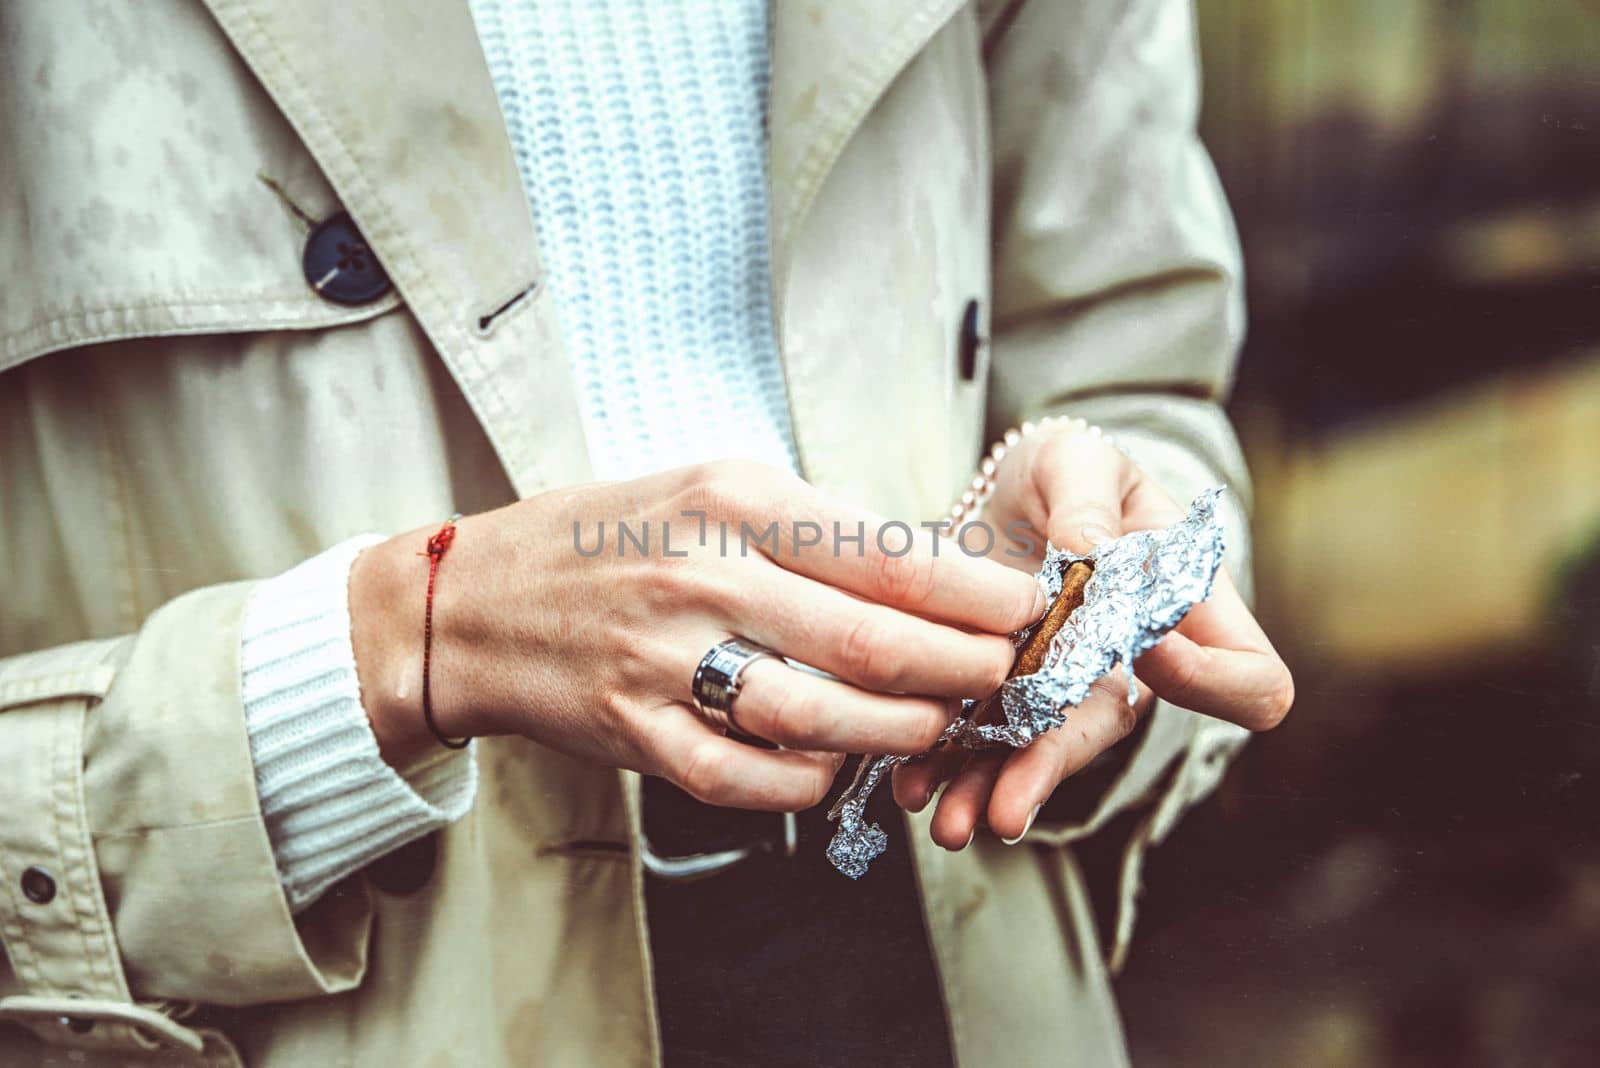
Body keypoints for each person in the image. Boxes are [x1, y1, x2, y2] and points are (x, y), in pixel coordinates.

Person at [0, 0, 1293, 1064]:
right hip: (345, 997)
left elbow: (1143, 388)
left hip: (959, 961)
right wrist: (401, 647)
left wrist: (1101, 577)